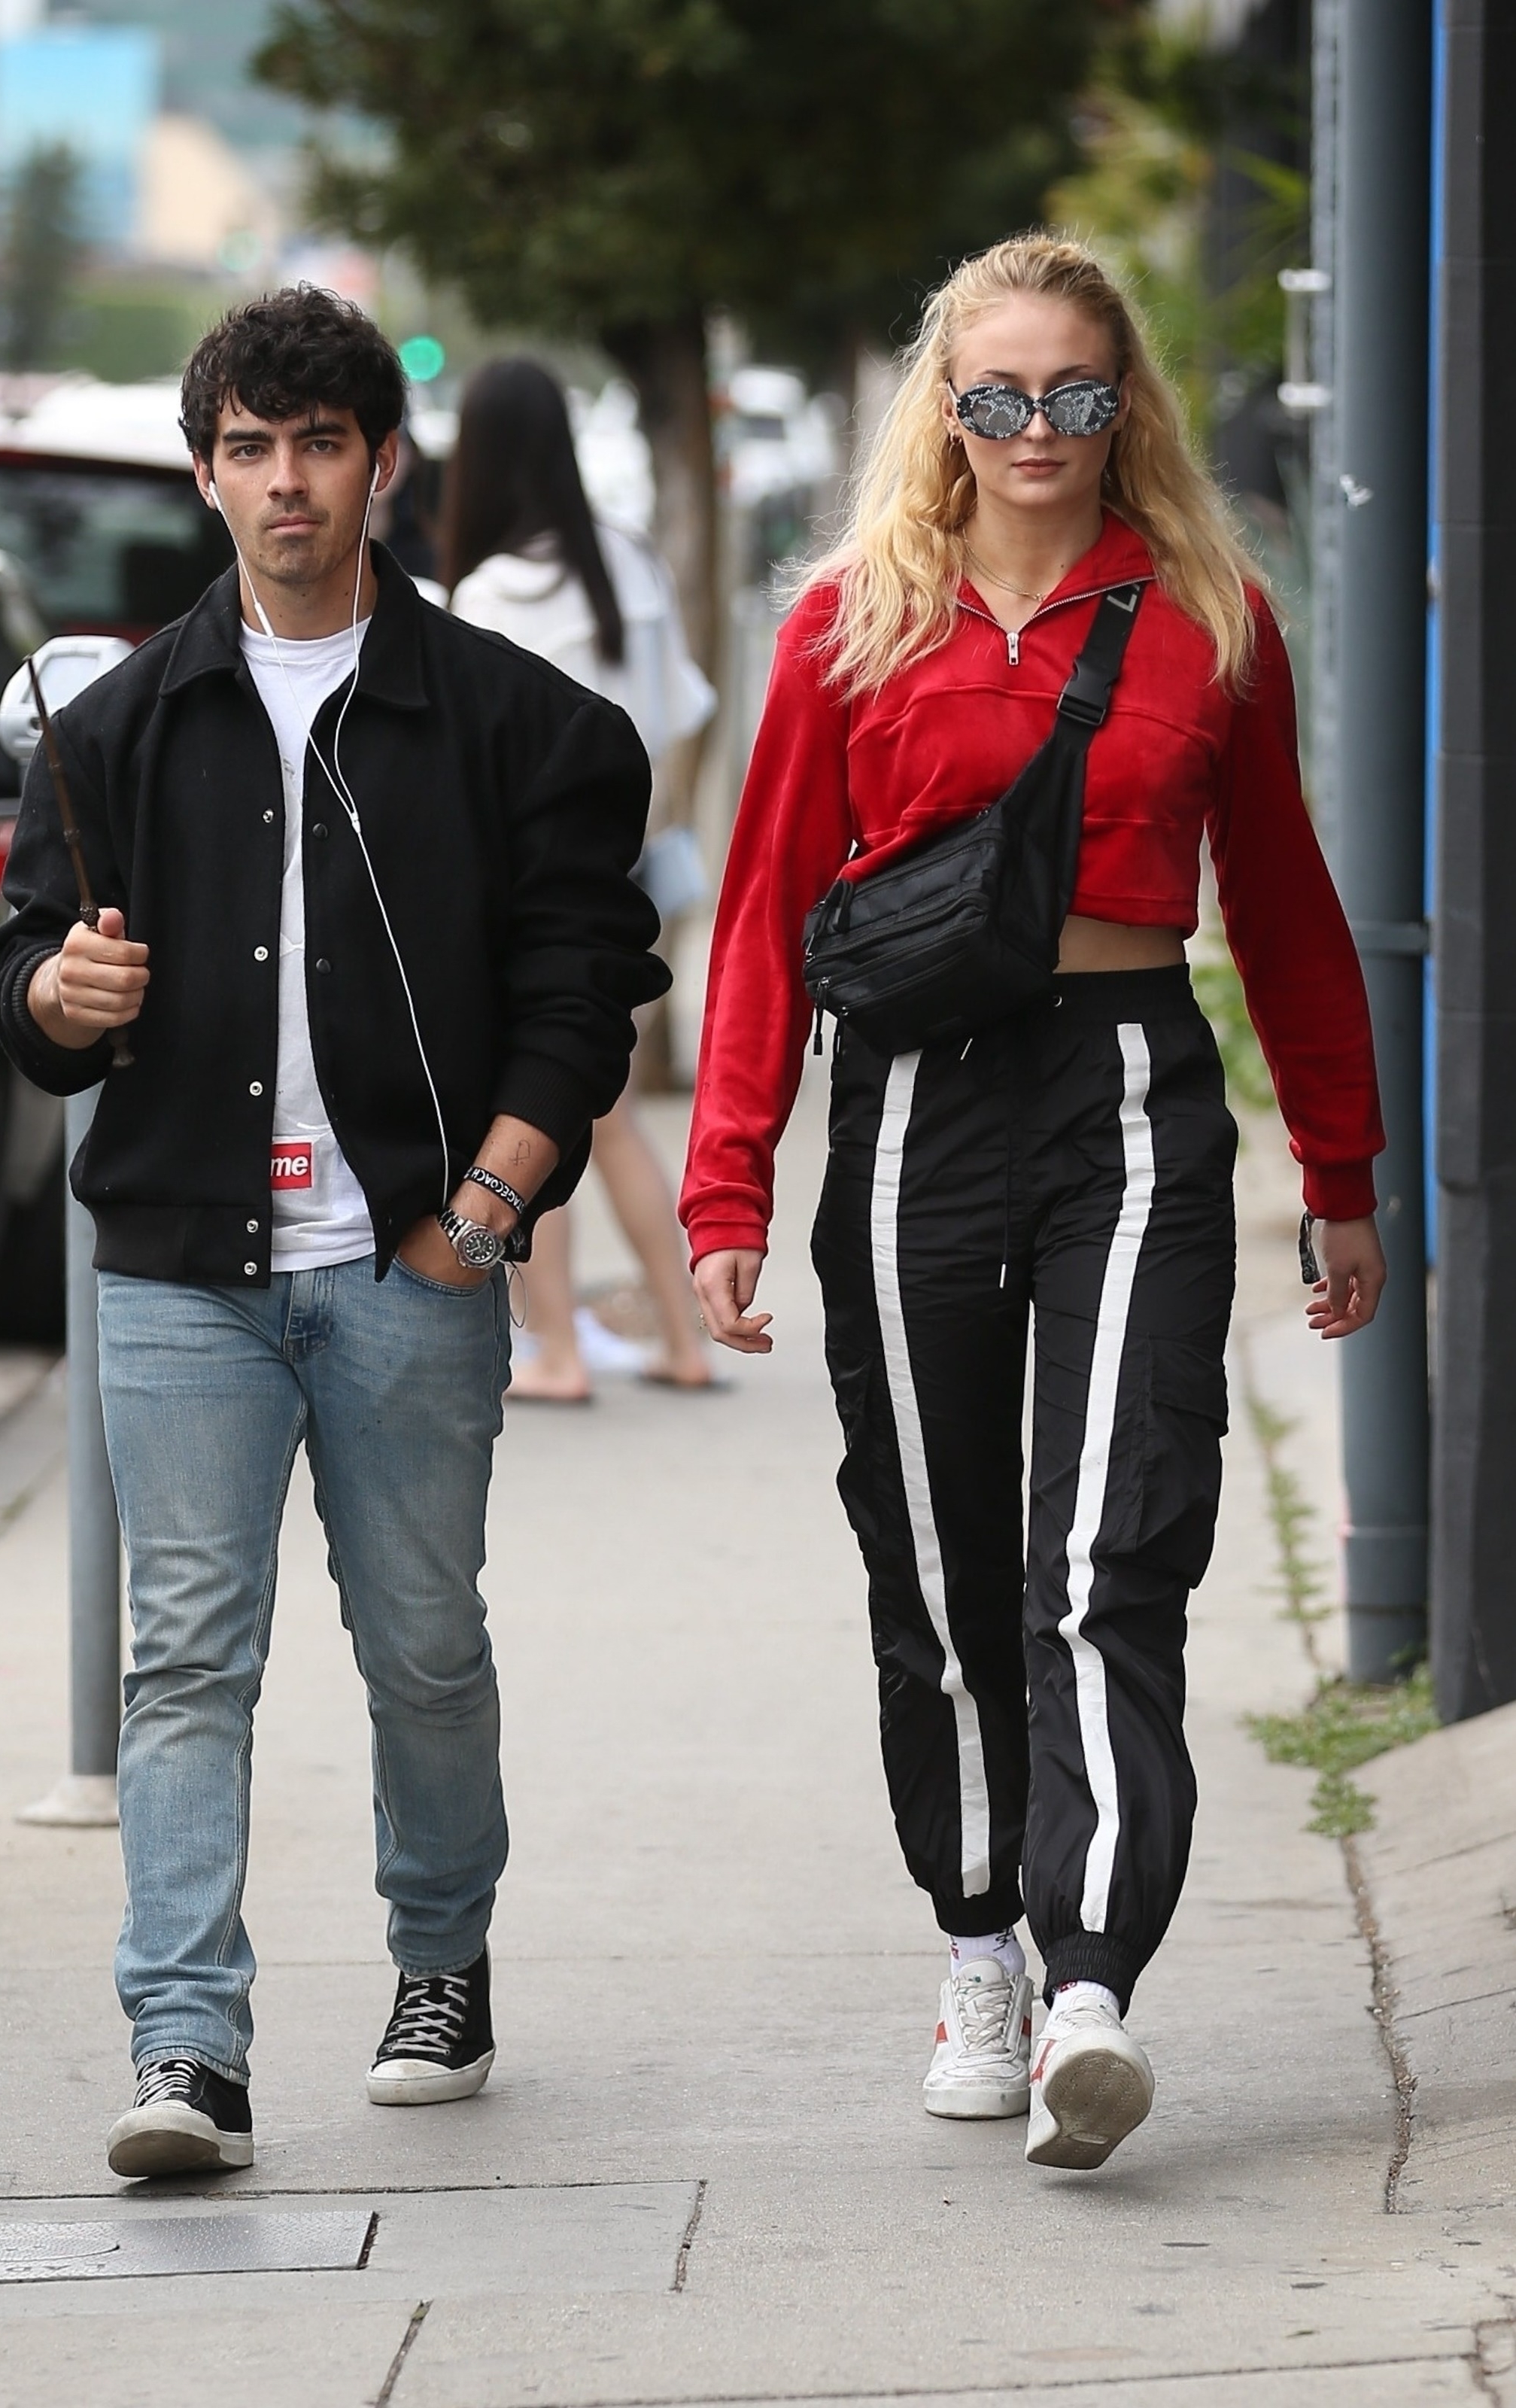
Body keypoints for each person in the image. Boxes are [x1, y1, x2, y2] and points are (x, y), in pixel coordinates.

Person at [680, 235, 1385, 2171]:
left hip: (1128, 1093)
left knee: (1106, 1547)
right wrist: (727, 1177)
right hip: (913, 1104)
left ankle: (1088, 1981)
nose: (1033, 430)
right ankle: (978, 1942)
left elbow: (1286, 906)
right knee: (933, 1561)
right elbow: (761, 911)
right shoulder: (845, 623)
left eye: (1072, 393)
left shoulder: (1206, 617)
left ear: (1120, 401)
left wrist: (1340, 1170)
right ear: (945, 408)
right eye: (993, 396)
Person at [0, 288, 667, 2179]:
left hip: (405, 1264)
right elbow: (24, 979)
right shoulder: (111, 729)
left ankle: (440, 1959)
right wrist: (59, 996)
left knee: (422, 1643)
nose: (286, 481)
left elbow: (584, 990)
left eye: (320, 445)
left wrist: (485, 1207)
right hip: (179, 1275)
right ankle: (185, 2045)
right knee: (185, 1659)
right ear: (204, 474)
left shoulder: (517, 723)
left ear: (381, 463)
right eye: (250, 448)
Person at [446, 357, 718, 1400]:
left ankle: (556, 1349)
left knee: (530, 1111)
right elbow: (683, 709)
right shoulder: (628, 563)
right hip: (634, 879)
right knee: (611, 1117)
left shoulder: (492, 593)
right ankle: (682, 1338)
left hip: (532, 899)